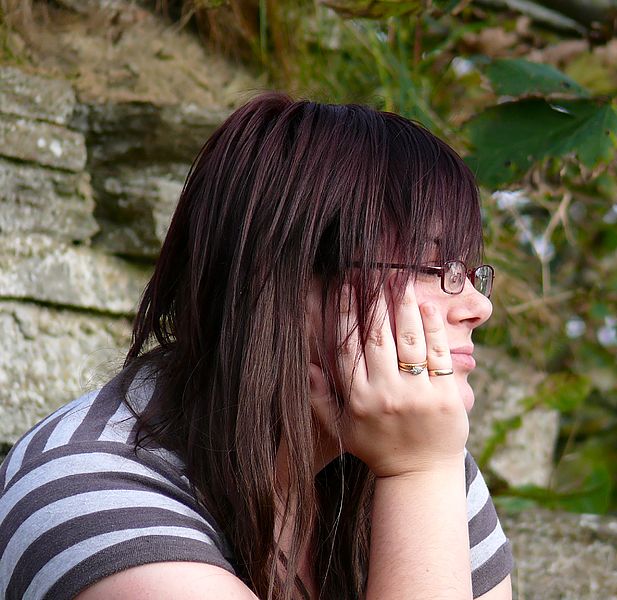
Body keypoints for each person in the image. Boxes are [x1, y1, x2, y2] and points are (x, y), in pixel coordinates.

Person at [0, 93, 513, 600]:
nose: (477, 305)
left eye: (470, 271)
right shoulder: (94, 493)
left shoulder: (412, 441)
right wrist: (420, 473)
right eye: (432, 266)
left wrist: (424, 470)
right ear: (284, 279)